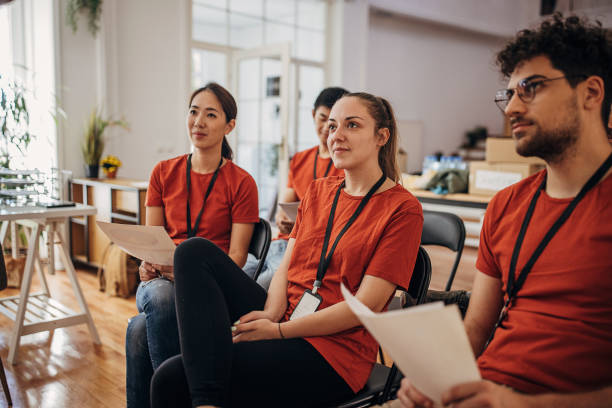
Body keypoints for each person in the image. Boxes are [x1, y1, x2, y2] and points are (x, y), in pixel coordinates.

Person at [149, 92, 424, 407]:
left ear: (381, 137)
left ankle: (206, 400)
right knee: (193, 252)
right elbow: (286, 267)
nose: (337, 135)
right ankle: (207, 401)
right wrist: (270, 314)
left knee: (172, 380)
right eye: (332, 126)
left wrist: (279, 331)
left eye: (352, 125)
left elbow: (364, 306)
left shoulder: (403, 209)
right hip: (286, 316)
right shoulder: (319, 191)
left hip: (333, 354)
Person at [396, 13, 612, 408]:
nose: (511, 106)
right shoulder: (506, 206)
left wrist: (522, 404)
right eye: (509, 93)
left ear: (591, 93)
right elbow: (478, 326)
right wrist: (435, 375)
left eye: (530, 88)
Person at [125, 83, 259, 408]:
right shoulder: (162, 172)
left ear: (229, 126)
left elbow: (237, 256)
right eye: (193, 111)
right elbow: (151, 239)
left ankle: (173, 398)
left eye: (210, 114)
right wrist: (147, 262)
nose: (198, 121)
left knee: (140, 330)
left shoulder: (242, 182)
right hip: (159, 279)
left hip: (209, 285)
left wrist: (185, 273)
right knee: (159, 294)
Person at [243, 87, 348, 289]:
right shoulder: (300, 159)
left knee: (259, 286)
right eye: (322, 118)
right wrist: (282, 218)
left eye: (333, 122)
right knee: (233, 276)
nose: (326, 127)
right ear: (312, 115)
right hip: (280, 243)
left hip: (307, 249)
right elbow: (285, 204)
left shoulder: (346, 167)